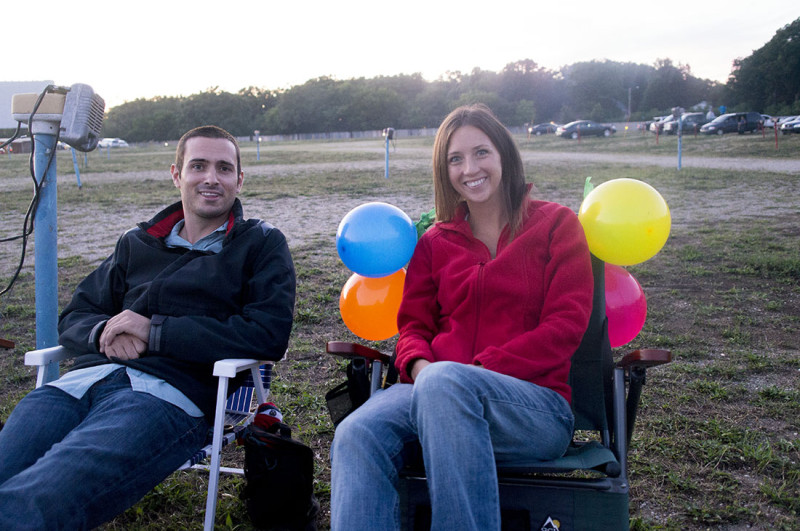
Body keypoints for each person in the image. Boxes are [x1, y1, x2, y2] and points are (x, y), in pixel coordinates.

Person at [0, 125, 296, 529]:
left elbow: (268, 333)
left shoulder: (260, 243)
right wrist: (107, 330)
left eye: (224, 168)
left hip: (166, 397)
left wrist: (154, 332)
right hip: (79, 383)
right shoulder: (137, 242)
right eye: (198, 166)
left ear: (239, 180)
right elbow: (75, 315)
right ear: (176, 174)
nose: (211, 178)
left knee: (40, 500)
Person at [330, 104, 594, 530]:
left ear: (504, 154)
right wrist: (421, 366)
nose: (469, 168)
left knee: (445, 384)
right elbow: (413, 325)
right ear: (444, 170)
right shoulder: (434, 242)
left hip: (533, 406)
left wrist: (463, 374)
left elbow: (565, 327)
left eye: (481, 152)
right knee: (358, 434)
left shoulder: (556, 225)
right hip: (431, 386)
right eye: (455, 159)